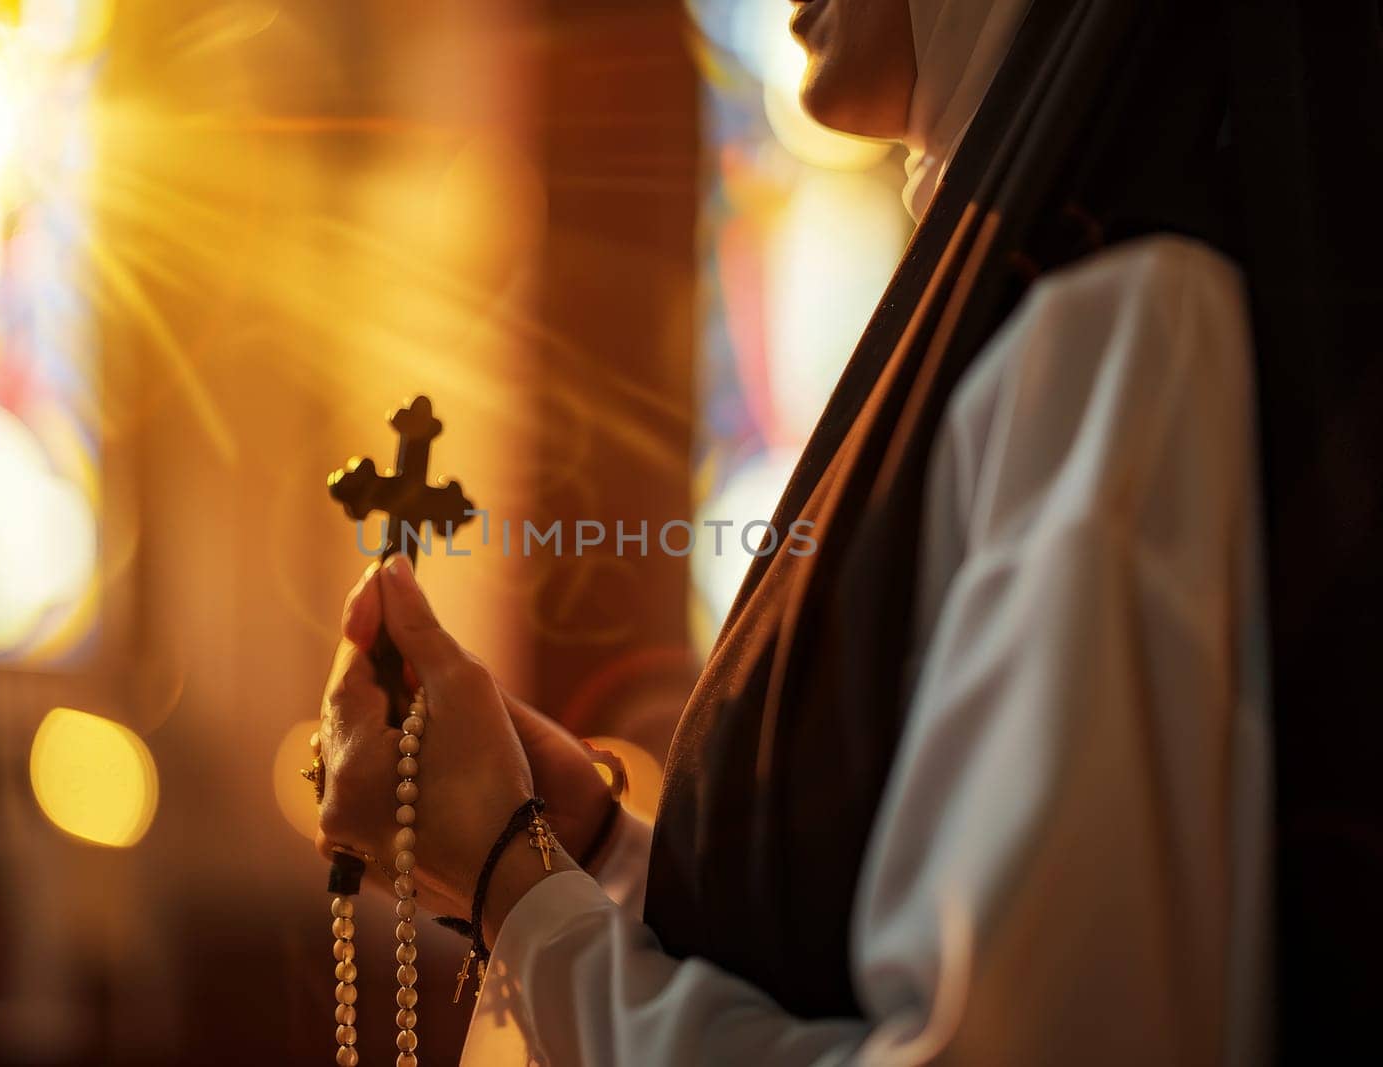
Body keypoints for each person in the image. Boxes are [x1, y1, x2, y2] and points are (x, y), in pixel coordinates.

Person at [312, 0, 1383, 1063]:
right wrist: (588, 846)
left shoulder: (1110, 320)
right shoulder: (1006, 281)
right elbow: (851, 944)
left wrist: (514, 885)